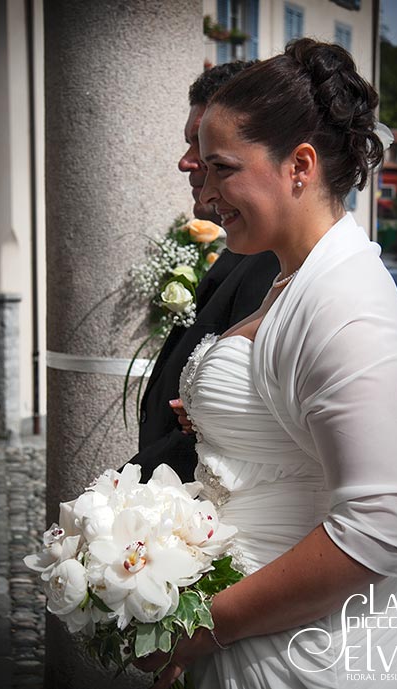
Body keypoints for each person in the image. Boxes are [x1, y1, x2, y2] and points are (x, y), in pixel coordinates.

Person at [140, 38, 397, 688]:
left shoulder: (345, 298)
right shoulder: (290, 276)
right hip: (269, 633)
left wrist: (204, 625)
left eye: (222, 167)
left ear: (298, 165)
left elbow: (392, 524)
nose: (203, 187)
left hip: (320, 654)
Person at [130, 63, 279, 483]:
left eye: (202, 146)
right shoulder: (239, 246)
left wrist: (123, 486)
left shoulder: (271, 262)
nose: (186, 162)